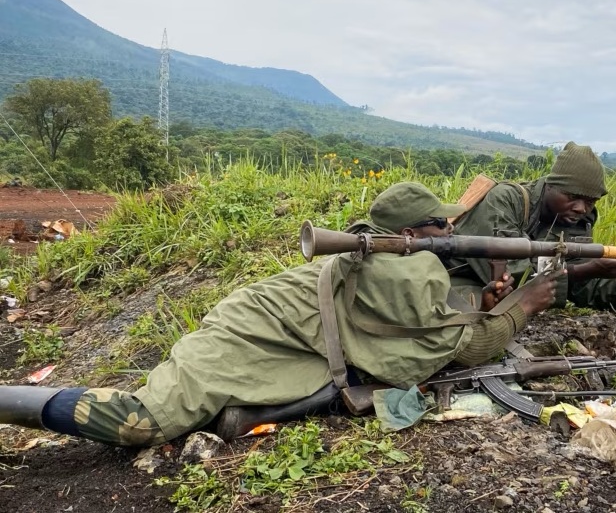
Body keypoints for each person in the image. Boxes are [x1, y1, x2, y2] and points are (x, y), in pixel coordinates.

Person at [0, 182, 561, 446]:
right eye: (444, 227)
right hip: (248, 332)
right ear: (412, 234)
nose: (453, 233)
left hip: (283, 337)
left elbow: (428, 320)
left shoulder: (394, 259)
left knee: (215, 411)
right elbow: (458, 348)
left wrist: (485, 304)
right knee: (140, 422)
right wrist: (524, 307)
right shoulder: (404, 268)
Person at [447, 142, 616, 310]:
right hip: (454, 283)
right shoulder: (507, 200)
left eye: (590, 201)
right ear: (550, 185)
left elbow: (584, 291)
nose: (581, 208)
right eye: (572, 197)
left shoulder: (578, 220)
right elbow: (512, 278)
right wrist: (589, 269)